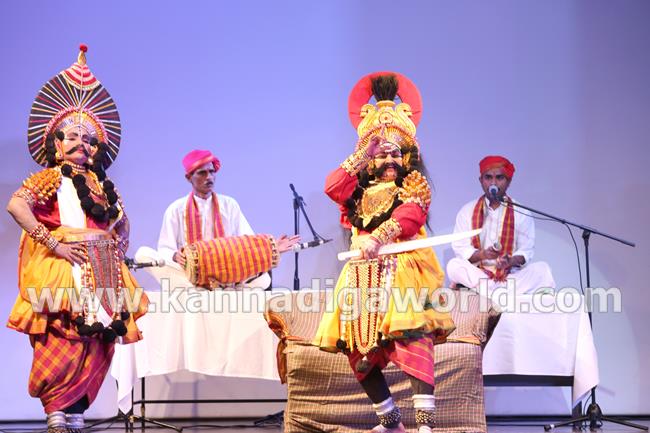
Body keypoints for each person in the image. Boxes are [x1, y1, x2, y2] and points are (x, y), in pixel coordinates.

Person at [6, 44, 148, 433]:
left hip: (102, 269)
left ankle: (77, 412)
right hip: (61, 267)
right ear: (56, 144)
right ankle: (56, 410)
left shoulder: (102, 185)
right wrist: (54, 244)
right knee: (60, 336)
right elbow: (17, 205)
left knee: (100, 339)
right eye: (72, 136)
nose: (81, 144)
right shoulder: (50, 177)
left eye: (88, 139)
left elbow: (122, 222)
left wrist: (118, 245)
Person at [313, 73, 455, 433]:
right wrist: (363, 153)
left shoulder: (413, 184)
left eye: (396, 152)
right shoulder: (357, 193)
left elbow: (410, 216)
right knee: (357, 350)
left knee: (412, 341)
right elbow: (332, 186)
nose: (390, 158)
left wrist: (378, 237)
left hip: (402, 269)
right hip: (361, 275)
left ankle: (425, 427)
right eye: (382, 154)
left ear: (406, 157)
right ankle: (390, 421)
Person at [446, 155, 556, 294]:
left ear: (508, 181)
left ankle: (490, 292)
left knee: (543, 270)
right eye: (488, 177)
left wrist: (510, 261)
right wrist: (483, 254)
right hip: (479, 275)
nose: (493, 183)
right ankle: (498, 292)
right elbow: (461, 248)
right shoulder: (467, 211)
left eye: (499, 178)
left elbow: (526, 250)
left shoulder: (521, 212)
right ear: (481, 180)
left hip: (510, 277)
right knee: (454, 265)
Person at [157, 149, 254, 267]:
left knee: (263, 275)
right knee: (144, 254)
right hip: (188, 272)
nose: (209, 177)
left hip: (225, 269)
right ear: (189, 178)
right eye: (202, 173)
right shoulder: (176, 210)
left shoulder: (229, 205)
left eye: (212, 172)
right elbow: (164, 249)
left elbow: (248, 240)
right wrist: (175, 256)